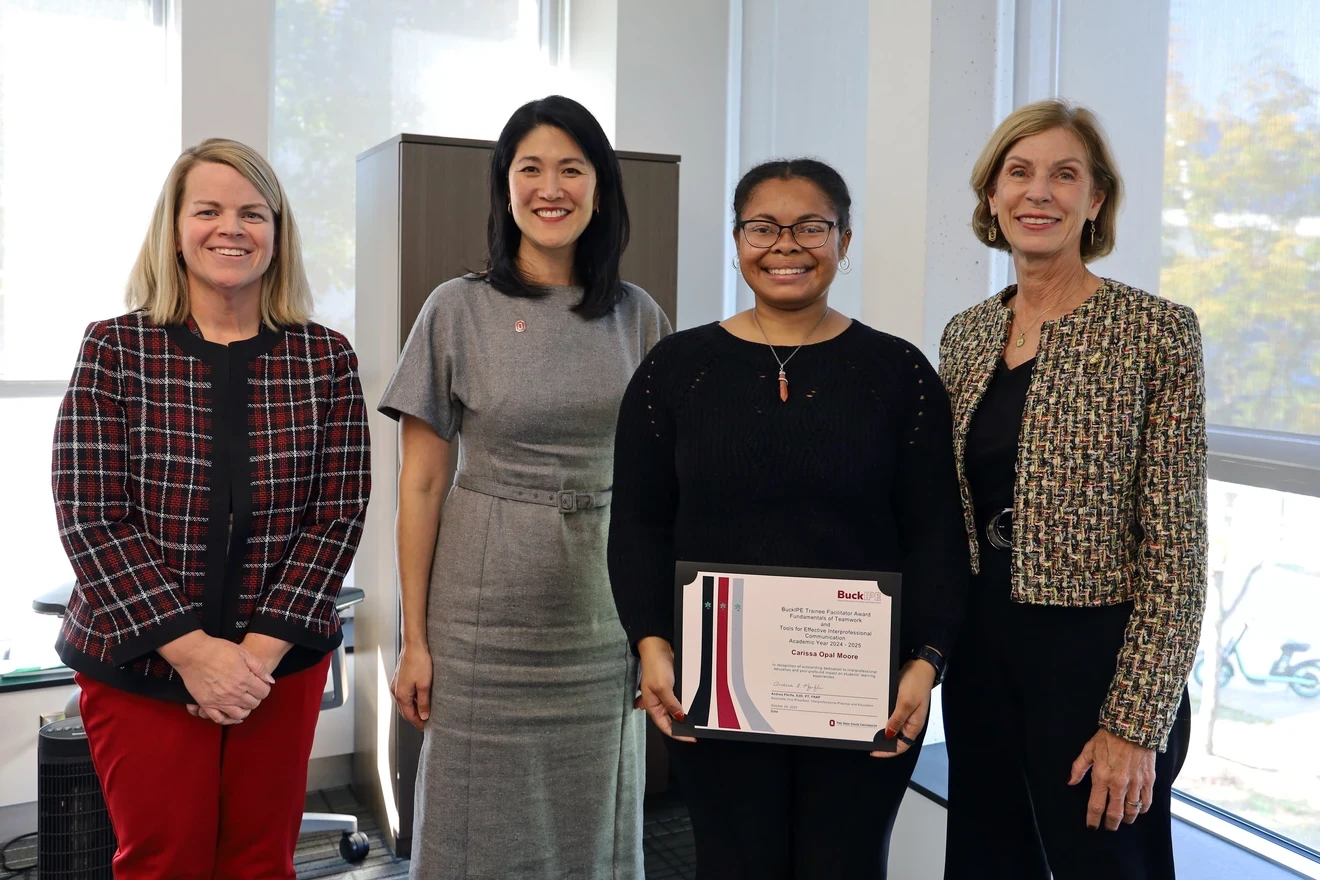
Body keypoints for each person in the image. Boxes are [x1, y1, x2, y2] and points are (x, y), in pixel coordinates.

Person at [607, 158, 969, 879]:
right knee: (735, 864)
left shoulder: (899, 373)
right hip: (717, 691)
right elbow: (640, 522)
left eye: (811, 226)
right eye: (763, 227)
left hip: (864, 693)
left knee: (846, 865)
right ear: (737, 240)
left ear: (845, 239)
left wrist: (925, 664)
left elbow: (935, 533)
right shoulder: (675, 370)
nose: (786, 245)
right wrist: (650, 643)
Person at [51, 138, 371, 879]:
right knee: (165, 861)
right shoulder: (114, 348)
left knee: (262, 862)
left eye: (253, 213)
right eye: (209, 210)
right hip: (141, 659)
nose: (232, 228)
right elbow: (89, 514)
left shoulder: (326, 358)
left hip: (278, 663)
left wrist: (253, 659)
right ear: (175, 229)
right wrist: (194, 655)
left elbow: (340, 513)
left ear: (277, 233)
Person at [379, 94, 671, 879]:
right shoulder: (457, 308)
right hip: (481, 620)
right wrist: (414, 638)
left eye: (571, 168)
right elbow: (422, 484)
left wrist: (657, 633)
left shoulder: (639, 318)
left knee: (595, 819)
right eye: (531, 168)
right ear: (506, 188)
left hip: (599, 614)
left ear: (600, 188)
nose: (551, 187)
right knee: (474, 818)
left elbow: (660, 490)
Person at [938, 99, 1207, 879]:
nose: (1038, 193)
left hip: (1094, 663)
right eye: (1017, 173)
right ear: (992, 195)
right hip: (981, 652)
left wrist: (1135, 722)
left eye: (1064, 175)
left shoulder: (1156, 331)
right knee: (988, 863)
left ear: (1095, 202)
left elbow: (1177, 552)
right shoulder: (966, 334)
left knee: (1109, 867)